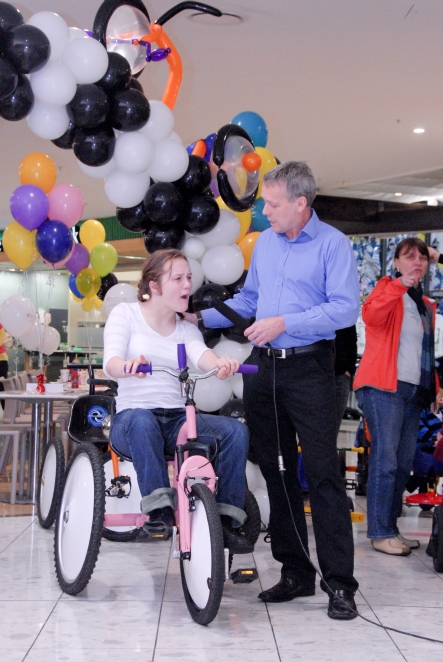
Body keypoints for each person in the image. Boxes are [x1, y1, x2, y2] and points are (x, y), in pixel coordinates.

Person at [184, 161, 360, 620]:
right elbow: (249, 302)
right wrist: (200, 318)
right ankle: (295, 573)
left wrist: (287, 323)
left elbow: (343, 310)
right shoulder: (265, 245)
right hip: (265, 371)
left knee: (321, 475)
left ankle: (340, 584)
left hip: (313, 372)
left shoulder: (333, 245)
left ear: (301, 203)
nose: (265, 210)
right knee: (277, 471)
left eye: (273, 203)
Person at [103, 248, 252, 554]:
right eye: (178, 279)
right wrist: (127, 366)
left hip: (177, 422)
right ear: (154, 286)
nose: (188, 285)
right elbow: (111, 362)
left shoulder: (186, 328)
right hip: (131, 420)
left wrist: (220, 363)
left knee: (235, 431)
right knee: (144, 421)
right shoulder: (127, 314)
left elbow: (201, 354)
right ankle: (158, 509)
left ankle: (225, 520)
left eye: (189, 278)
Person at [354, 237, 437, 556]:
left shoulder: (424, 304)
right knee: (385, 461)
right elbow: (371, 316)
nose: (417, 262)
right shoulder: (386, 290)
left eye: (422, 258)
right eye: (409, 257)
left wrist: (434, 387)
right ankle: (379, 531)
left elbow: (422, 354)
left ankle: (390, 528)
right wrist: (399, 283)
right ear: (396, 262)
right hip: (382, 387)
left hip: (413, 391)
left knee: (403, 465)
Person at [334, 325, 358, 438]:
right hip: (315, 375)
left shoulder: (343, 311)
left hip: (340, 375)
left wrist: (348, 370)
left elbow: (352, 342)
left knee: (332, 429)